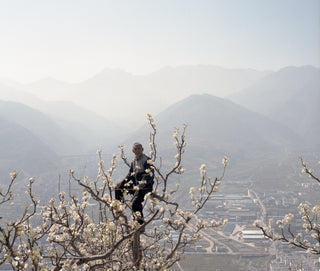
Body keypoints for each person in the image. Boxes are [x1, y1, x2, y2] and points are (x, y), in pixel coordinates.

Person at [115, 142, 154, 224]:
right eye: (135, 149)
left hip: (145, 187)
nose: (137, 151)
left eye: (139, 149)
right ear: (133, 151)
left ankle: (140, 224)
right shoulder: (134, 161)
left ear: (142, 149)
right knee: (118, 189)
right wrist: (122, 183)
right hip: (136, 185)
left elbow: (150, 176)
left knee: (135, 204)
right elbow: (130, 175)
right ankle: (120, 209)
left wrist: (142, 184)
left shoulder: (147, 160)